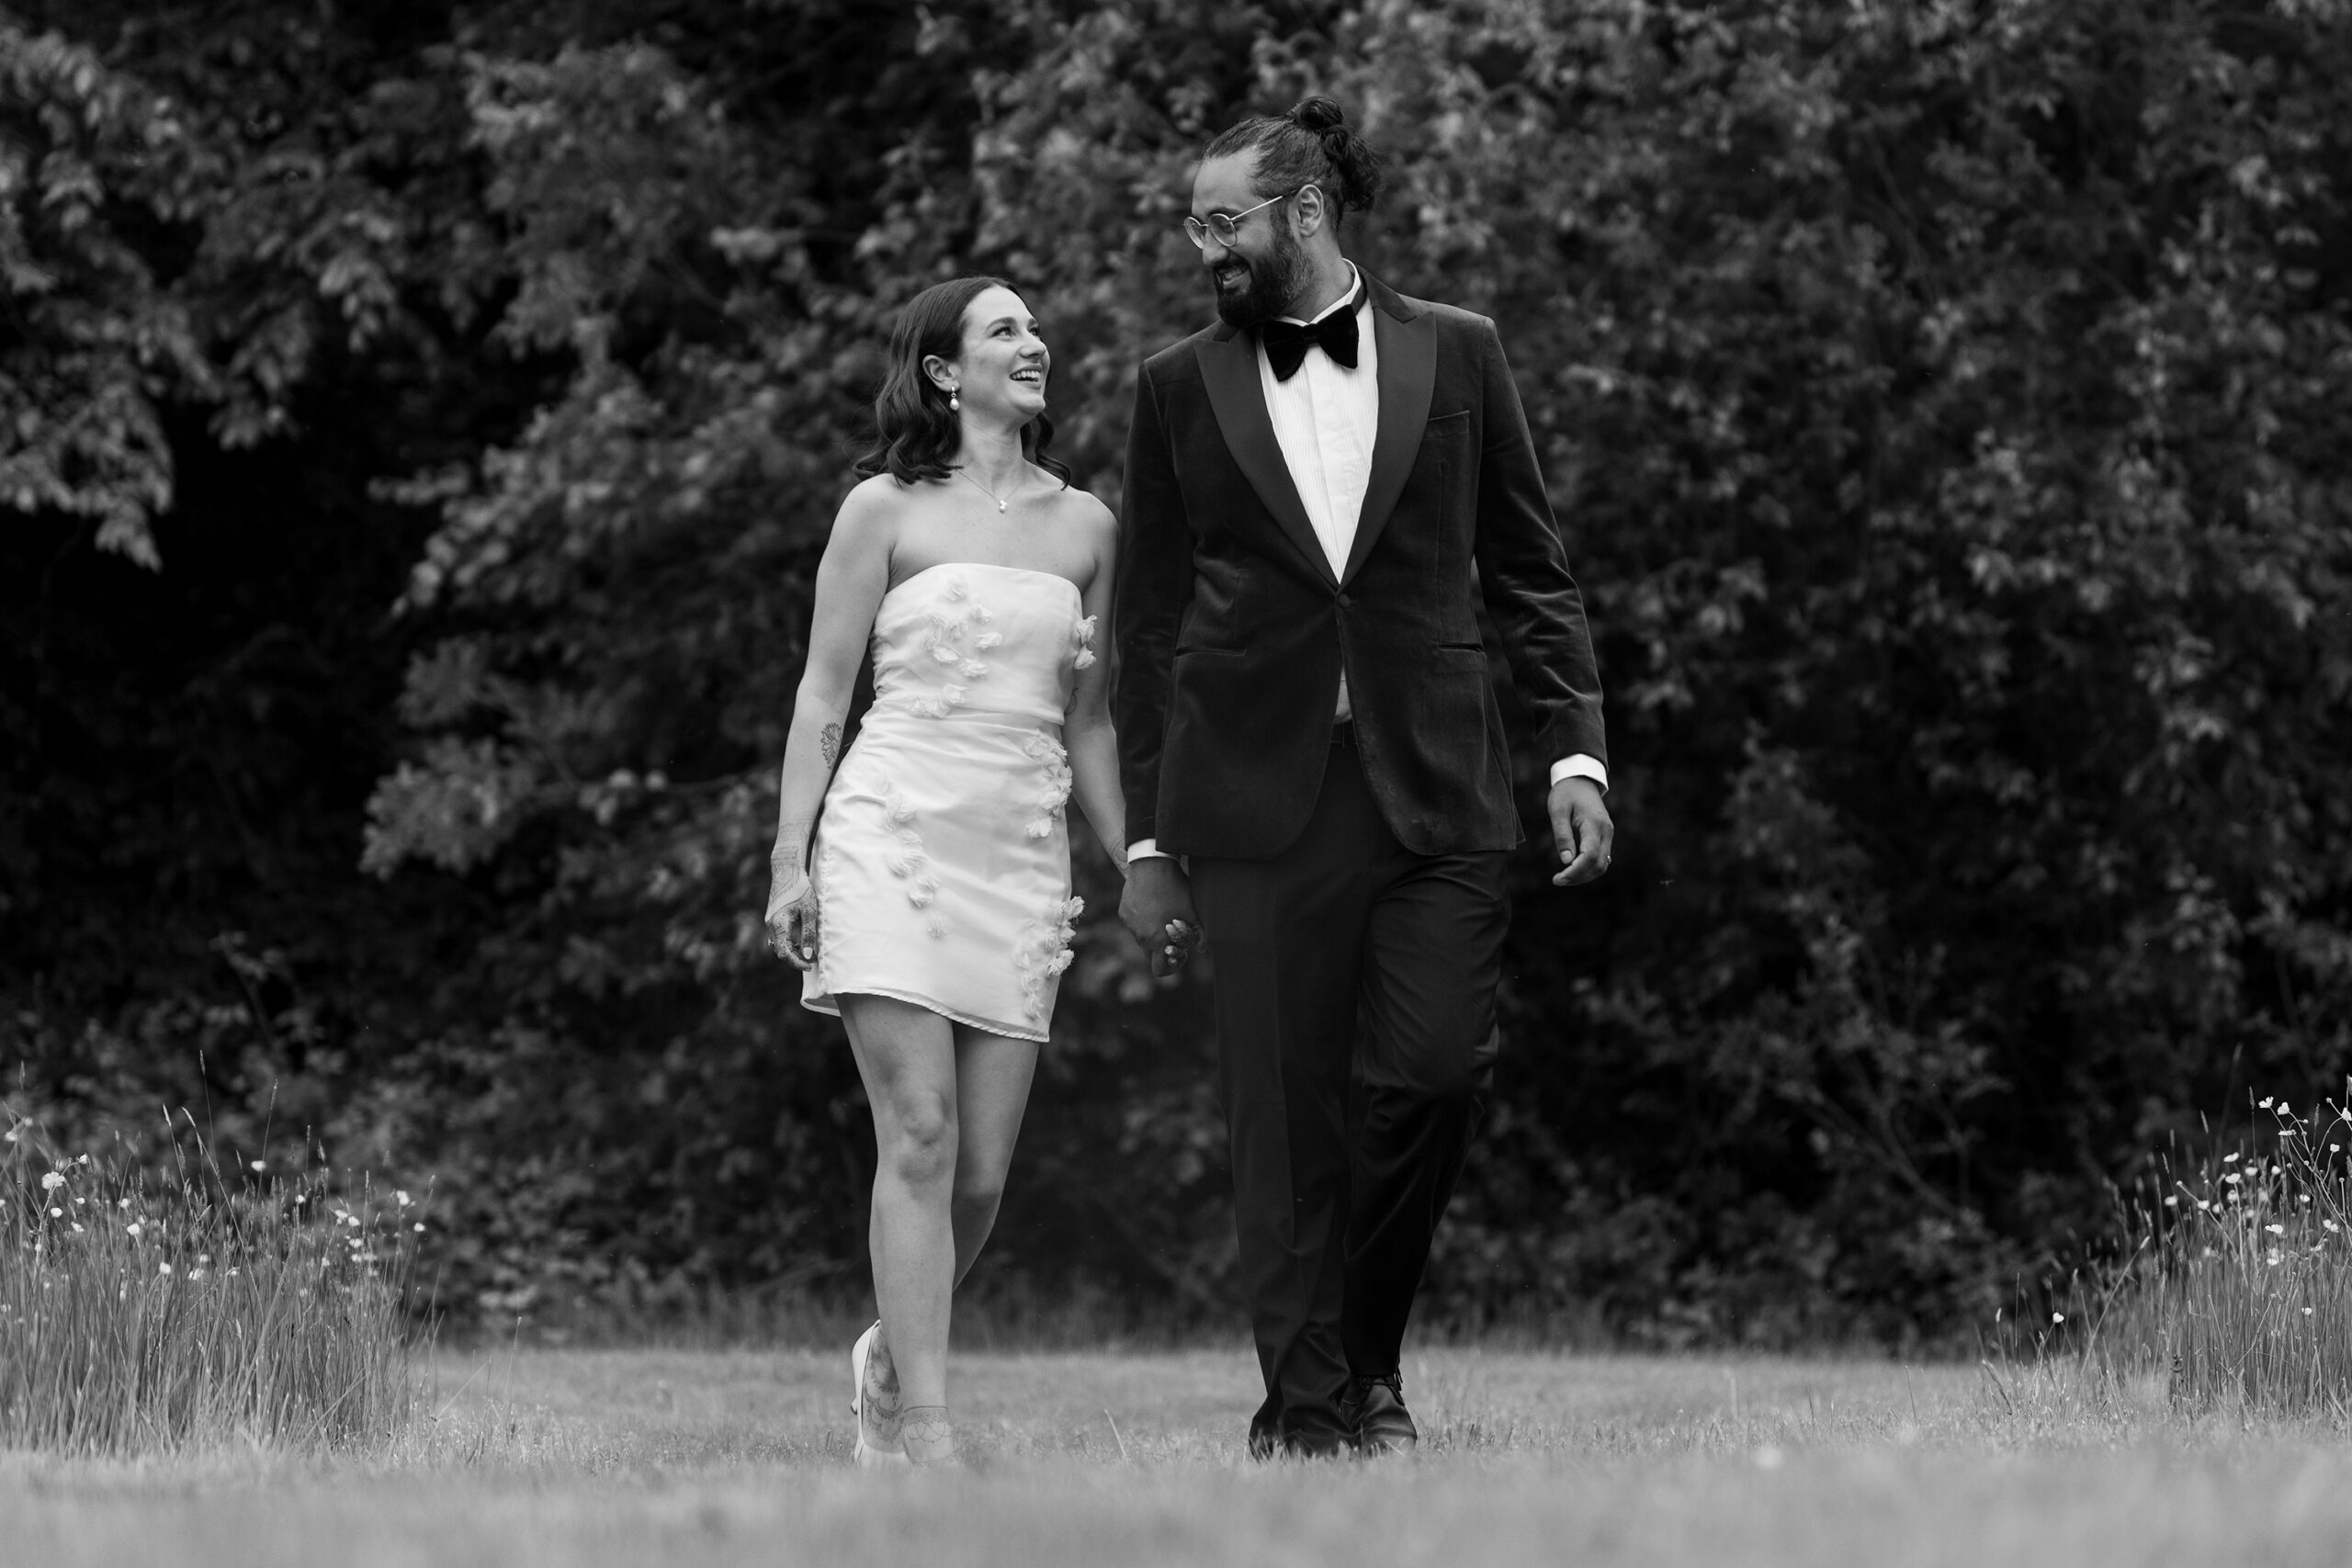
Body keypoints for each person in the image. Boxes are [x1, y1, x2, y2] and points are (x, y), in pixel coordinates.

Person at [1114, 97, 1614, 1459]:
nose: (1201, 244)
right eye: (1193, 221)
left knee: (1436, 1075)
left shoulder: (1459, 353)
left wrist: (1576, 748)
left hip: (1441, 785)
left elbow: (1531, 569)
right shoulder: (1175, 385)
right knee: (1280, 1128)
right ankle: (1312, 1416)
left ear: (1308, 210)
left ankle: (1365, 1355)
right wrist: (1148, 842)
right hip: (1252, 802)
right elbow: (1146, 627)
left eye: (1224, 220)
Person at [764, 276, 1126, 1468]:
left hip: (1019, 855)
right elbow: (827, 690)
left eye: (1034, 329)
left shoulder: (1089, 530)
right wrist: (791, 859)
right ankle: (922, 1426)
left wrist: (1135, 860)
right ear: (942, 371)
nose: (1037, 344)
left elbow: (1091, 725)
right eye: (1005, 330)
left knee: (978, 1176)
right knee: (914, 1134)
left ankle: (885, 1354)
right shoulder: (881, 511)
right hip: (890, 828)